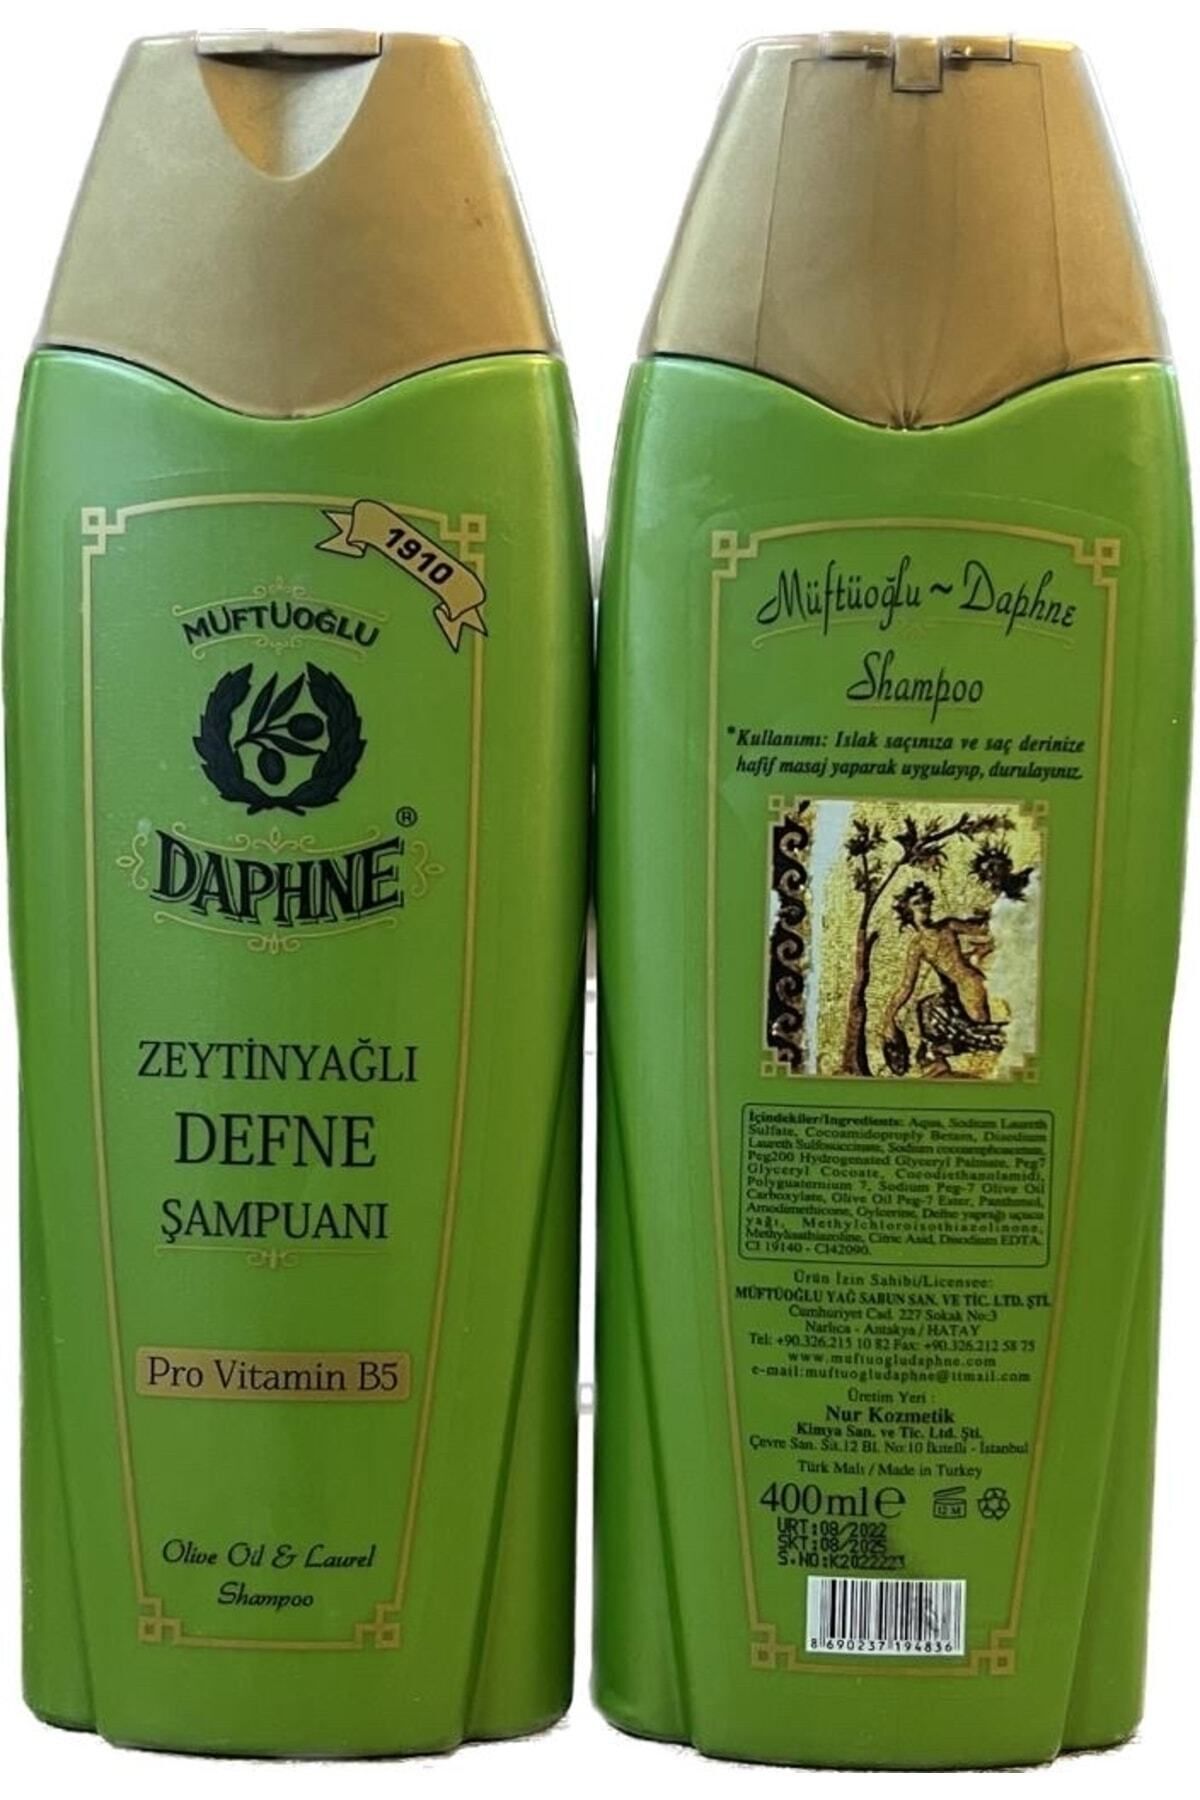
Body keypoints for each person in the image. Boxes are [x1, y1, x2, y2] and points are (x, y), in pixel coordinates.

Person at [881, 881, 1007, 1078]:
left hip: (969, 985)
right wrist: (888, 1017)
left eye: (925, 901)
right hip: (953, 992)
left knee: (979, 1032)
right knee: (927, 1007)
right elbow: (906, 986)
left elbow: (984, 930)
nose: (923, 906)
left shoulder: (948, 925)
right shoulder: (918, 946)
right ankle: (939, 1060)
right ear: (907, 910)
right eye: (917, 903)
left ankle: (1005, 1039)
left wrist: (984, 946)